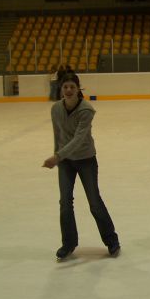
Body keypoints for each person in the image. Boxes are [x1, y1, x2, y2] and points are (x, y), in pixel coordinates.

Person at [42, 73, 120, 260]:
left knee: (94, 201)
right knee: (65, 202)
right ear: (61, 89)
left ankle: (111, 240)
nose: (68, 90)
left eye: (72, 87)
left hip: (86, 160)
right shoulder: (55, 109)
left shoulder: (86, 110)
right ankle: (68, 243)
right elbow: (58, 135)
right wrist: (58, 157)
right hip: (66, 163)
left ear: (78, 89)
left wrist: (57, 156)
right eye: (65, 87)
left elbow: (79, 139)